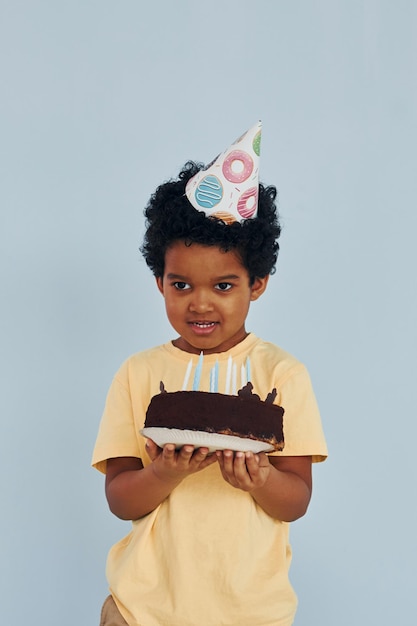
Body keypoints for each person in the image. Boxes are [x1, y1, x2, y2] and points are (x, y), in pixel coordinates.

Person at [92, 122, 328, 626]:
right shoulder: (138, 374)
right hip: (143, 610)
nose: (200, 302)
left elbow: (296, 501)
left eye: (223, 285)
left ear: (258, 283)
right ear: (159, 281)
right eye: (180, 284)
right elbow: (118, 498)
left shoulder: (282, 374)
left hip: (249, 612)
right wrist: (163, 473)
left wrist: (261, 479)